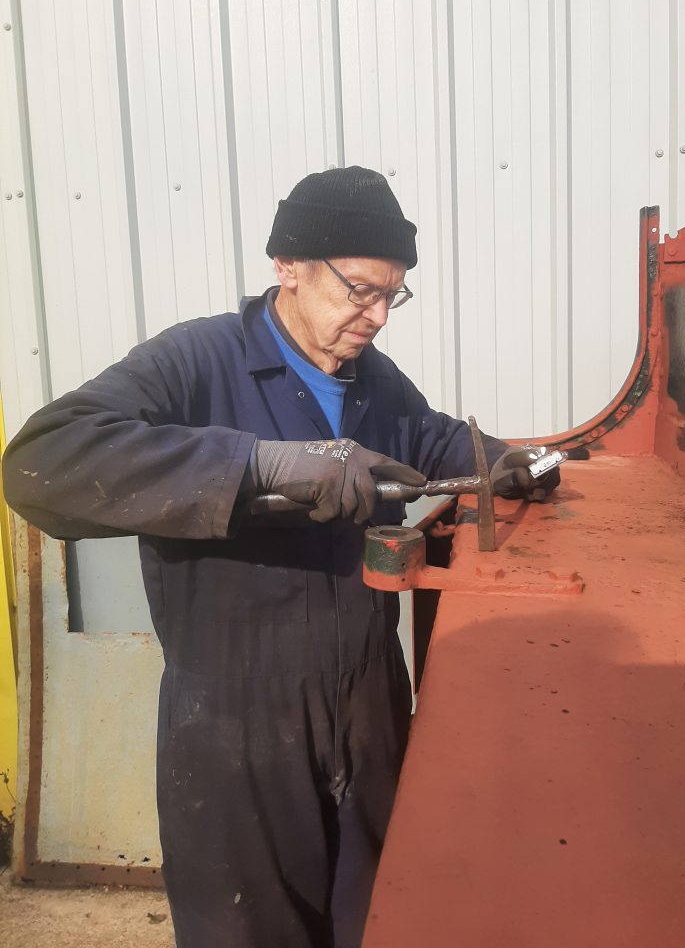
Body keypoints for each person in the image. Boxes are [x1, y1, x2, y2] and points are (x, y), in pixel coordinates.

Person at [2, 166, 559, 948]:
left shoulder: (372, 379)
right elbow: (40, 464)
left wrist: (506, 460)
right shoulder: (196, 362)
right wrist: (259, 464)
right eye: (360, 290)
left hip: (368, 706)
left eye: (391, 295)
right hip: (238, 724)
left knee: (377, 916)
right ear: (287, 266)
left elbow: (430, 437)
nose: (375, 318)